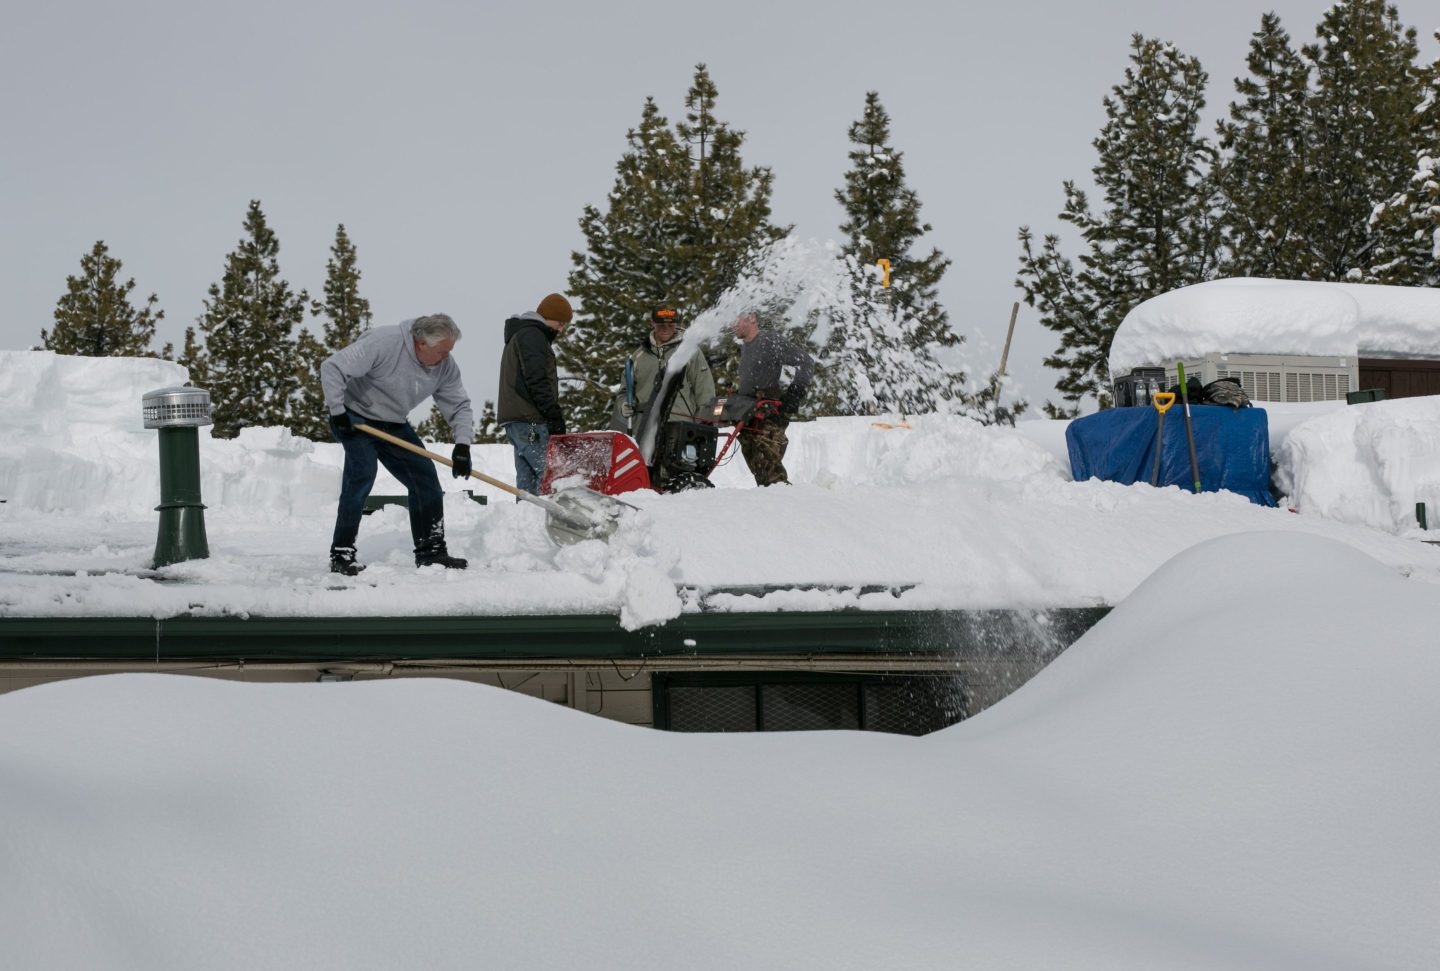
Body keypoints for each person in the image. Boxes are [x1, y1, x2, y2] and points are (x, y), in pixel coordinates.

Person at [322, 313, 474, 575]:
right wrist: (337, 411)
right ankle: (342, 554)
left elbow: (459, 404)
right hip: (353, 417)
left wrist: (462, 445)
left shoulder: (444, 366)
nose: (446, 357)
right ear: (422, 343)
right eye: (442, 351)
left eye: (449, 351)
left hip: (392, 423)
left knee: (425, 480)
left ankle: (431, 552)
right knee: (362, 474)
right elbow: (332, 367)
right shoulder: (385, 342)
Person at [497, 293, 571, 495]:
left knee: (527, 484)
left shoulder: (521, 333)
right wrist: (553, 414)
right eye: (560, 323)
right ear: (548, 316)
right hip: (530, 421)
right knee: (550, 477)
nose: (561, 329)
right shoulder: (533, 336)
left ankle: (527, 521)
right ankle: (548, 521)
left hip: (516, 421)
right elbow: (537, 380)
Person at [730, 311, 814, 486]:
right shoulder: (746, 346)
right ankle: (770, 503)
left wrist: (794, 392)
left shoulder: (769, 341)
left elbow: (806, 361)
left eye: (736, 320)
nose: (732, 325)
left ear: (752, 318)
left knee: (769, 466)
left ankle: (784, 501)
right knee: (760, 468)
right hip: (749, 414)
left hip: (769, 412)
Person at [609, 307, 716, 435]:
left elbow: (705, 391)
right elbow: (625, 392)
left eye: (671, 324)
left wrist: (703, 425)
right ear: (652, 323)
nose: (666, 328)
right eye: (661, 324)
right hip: (644, 432)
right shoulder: (639, 356)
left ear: (676, 324)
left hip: (680, 428)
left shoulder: (689, 352)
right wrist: (624, 405)